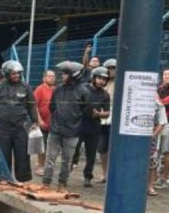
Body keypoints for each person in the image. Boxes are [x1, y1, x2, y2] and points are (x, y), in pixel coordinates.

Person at [43, 61, 91, 191]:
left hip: (72, 132)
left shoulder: (83, 91)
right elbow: (52, 106)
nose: (62, 76)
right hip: (56, 130)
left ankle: (62, 184)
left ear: (73, 75)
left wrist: (74, 121)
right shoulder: (58, 89)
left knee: (67, 160)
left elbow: (86, 111)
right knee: (50, 158)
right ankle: (46, 183)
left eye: (65, 74)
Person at [0, 61, 38, 182]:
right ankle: (4, 179)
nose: (17, 76)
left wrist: (35, 121)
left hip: (21, 127)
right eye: (13, 74)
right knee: (3, 155)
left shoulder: (25, 87)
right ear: (6, 74)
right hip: (3, 128)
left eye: (18, 73)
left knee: (22, 155)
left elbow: (31, 105)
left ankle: (23, 180)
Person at [80, 67, 111, 187]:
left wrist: (99, 114)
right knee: (74, 151)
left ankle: (87, 177)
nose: (101, 81)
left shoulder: (105, 95)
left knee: (91, 154)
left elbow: (107, 112)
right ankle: (68, 169)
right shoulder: (83, 89)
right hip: (80, 124)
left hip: (94, 126)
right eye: (99, 78)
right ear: (93, 78)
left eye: (104, 79)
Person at [96, 58, 117, 182]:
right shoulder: (103, 83)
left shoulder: (120, 83)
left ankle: (113, 174)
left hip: (114, 119)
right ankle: (105, 173)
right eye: (108, 69)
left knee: (113, 148)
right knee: (102, 148)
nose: (111, 71)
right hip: (102, 118)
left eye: (113, 68)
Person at [33, 70, 56, 176]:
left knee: (50, 147)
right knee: (42, 146)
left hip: (53, 123)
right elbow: (34, 106)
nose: (52, 78)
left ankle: (44, 165)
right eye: (49, 76)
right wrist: (39, 120)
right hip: (42, 123)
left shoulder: (55, 90)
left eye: (53, 76)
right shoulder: (40, 89)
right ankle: (40, 166)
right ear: (44, 78)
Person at [148, 99, 169, 196]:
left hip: (152, 137)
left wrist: (153, 136)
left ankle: (150, 186)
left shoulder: (158, 105)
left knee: (152, 162)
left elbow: (162, 123)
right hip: (136, 136)